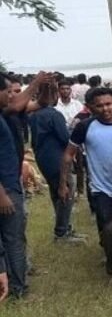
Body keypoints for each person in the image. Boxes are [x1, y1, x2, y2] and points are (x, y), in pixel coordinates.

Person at [61, 87, 112, 278]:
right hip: (101, 189)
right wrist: (63, 183)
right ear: (91, 107)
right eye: (99, 105)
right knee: (109, 228)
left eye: (108, 104)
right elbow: (68, 155)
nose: (105, 109)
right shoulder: (85, 127)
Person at [29, 81, 84, 242]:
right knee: (66, 190)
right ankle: (62, 232)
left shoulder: (34, 115)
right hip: (57, 159)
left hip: (43, 159)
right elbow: (66, 138)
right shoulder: (54, 114)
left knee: (57, 193)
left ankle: (64, 228)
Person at [0, 73, 28, 300]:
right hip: (5, 190)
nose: (11, 96)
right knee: (13, 239)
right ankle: (18, 290)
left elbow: (20, 104)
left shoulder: (2, 113)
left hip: (10, 185)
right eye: (7, 91)